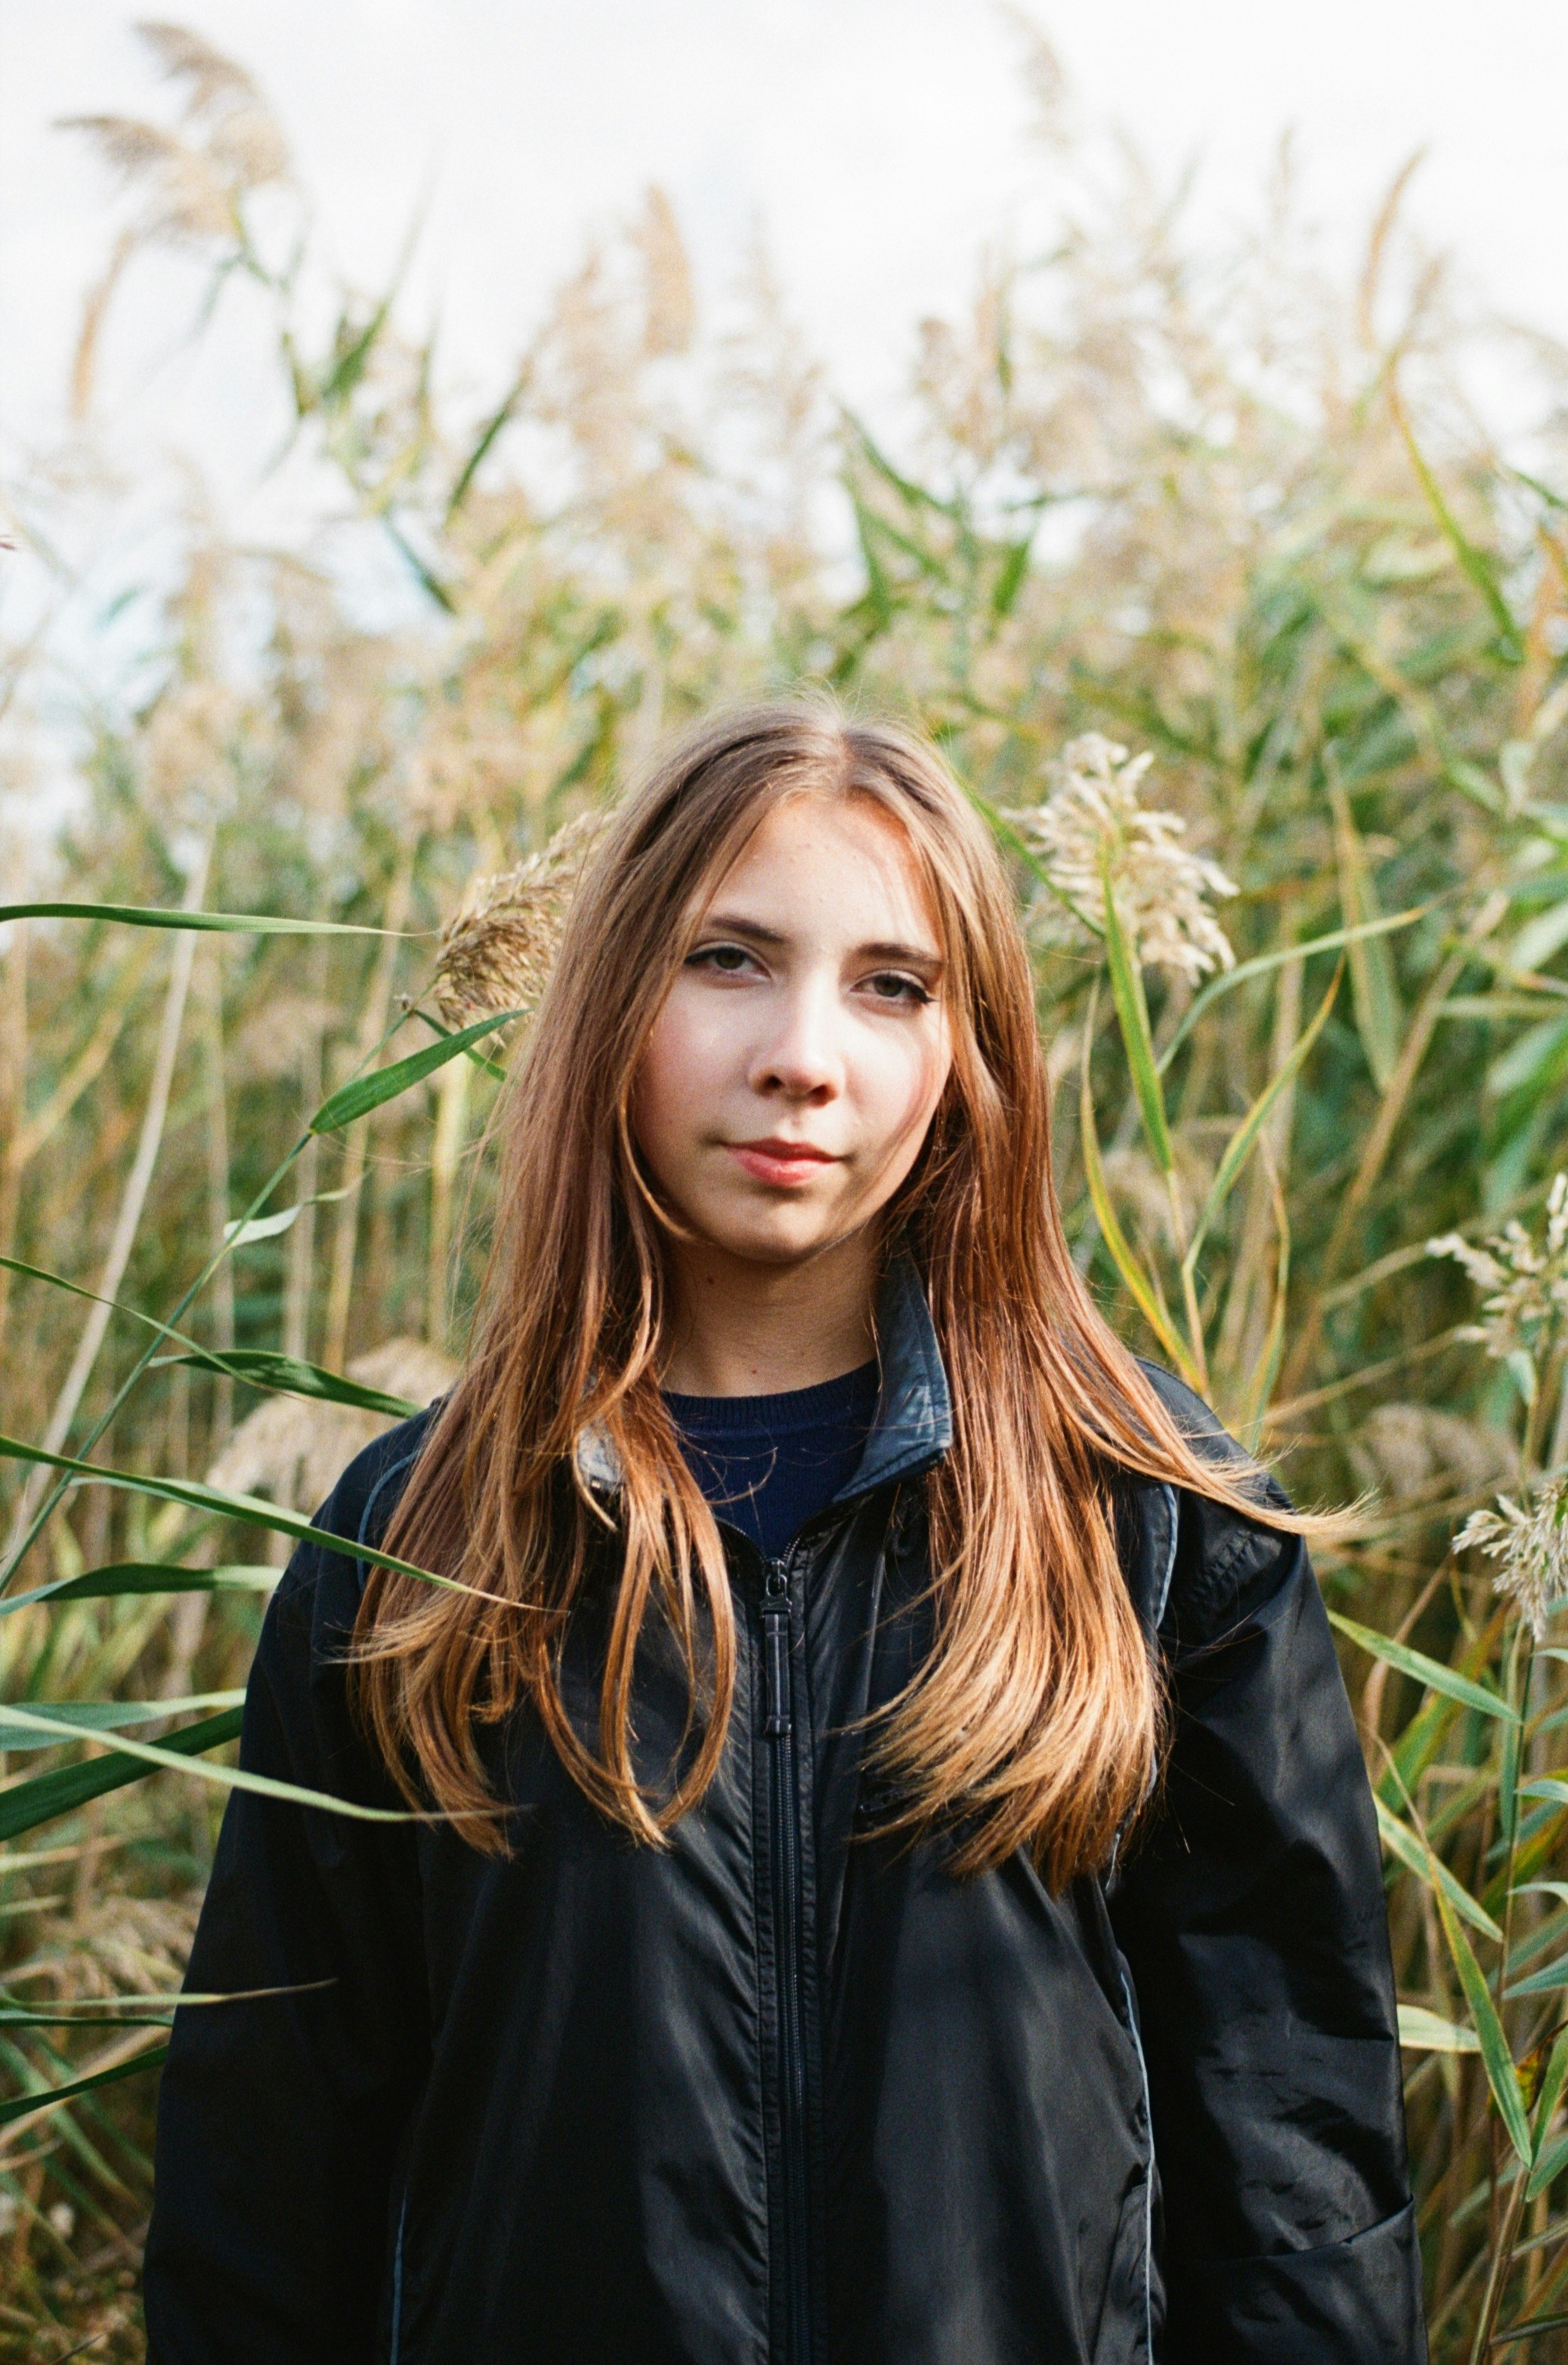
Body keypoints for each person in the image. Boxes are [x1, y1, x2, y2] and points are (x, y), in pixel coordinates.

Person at [143, 700, 1424, 2364]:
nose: (805, 1052)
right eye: (730, 959)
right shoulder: (417, 1544)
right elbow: (266, 2187)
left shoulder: (1154, 1522)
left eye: (891, 984)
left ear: (972, 1056)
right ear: (615, 1004)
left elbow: (1297, 2167)